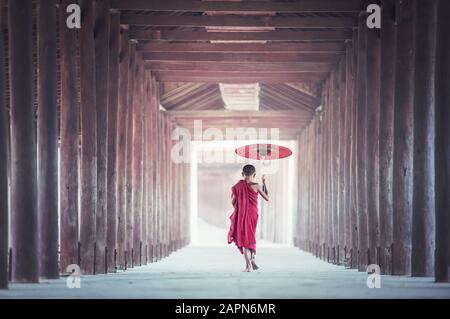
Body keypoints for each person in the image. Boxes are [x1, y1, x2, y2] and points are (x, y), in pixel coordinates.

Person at [227, 164, 269, 272]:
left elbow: (233, 202)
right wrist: (264, 182)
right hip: (253, 215)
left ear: (242, 174)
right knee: (250, 236)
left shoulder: (238, 186)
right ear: (254, 174)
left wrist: (238, 200)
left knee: (244, 238)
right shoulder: (257, 186)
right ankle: (252, 258)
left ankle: (248, 265)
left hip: (242, 215)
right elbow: (267, 198)